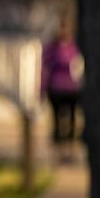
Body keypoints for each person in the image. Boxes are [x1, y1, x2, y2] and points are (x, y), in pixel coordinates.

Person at [41, 24, 84, 162]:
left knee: (71, 120)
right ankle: (59, 151)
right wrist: (42, 88)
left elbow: (78, 67)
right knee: (57, 121)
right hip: (55, 89)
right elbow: (44, 70)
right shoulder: (51, 50)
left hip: (71, 89)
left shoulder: (74, 48)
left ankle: (70, 150)